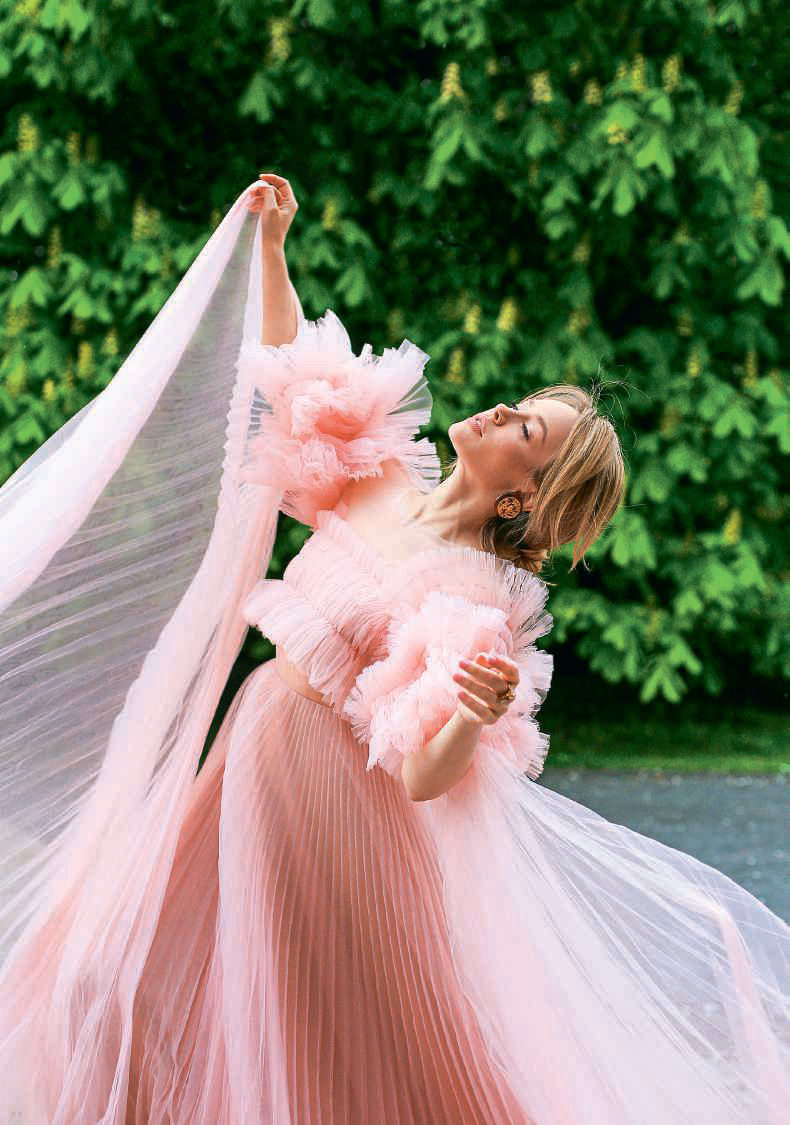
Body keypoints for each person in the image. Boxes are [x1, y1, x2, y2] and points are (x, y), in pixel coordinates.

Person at [0, 174, 786, 1124]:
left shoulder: (469, 599)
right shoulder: (378, 472)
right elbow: (292, 373)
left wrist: (470, 716)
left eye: (524, 429)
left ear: (521, 496)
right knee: (127, 974)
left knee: (351, 1039)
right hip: (251, 768)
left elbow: (423, 773)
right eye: (520, 404)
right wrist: (273, 251)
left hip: (338, 814)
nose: (499, 410)